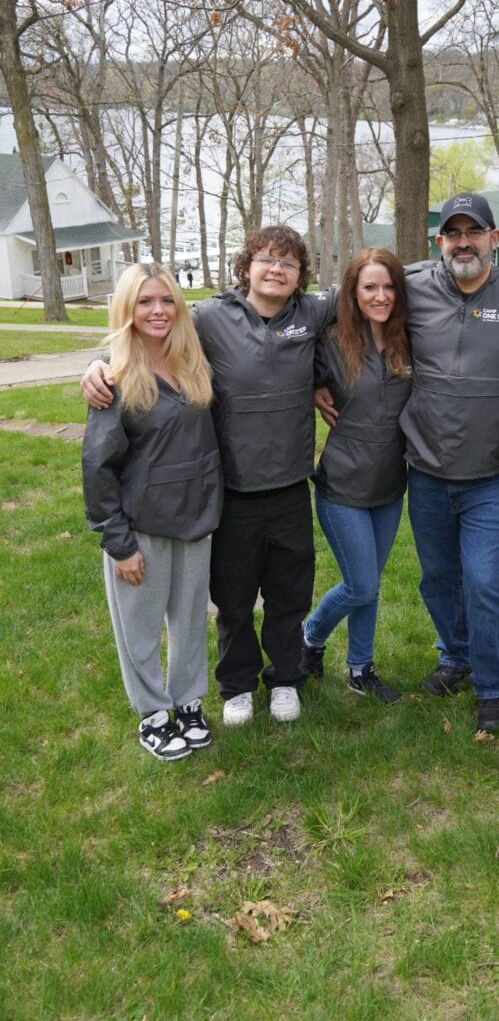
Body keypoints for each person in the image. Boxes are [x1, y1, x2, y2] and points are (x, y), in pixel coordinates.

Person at [82, 228, 335, 726]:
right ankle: (236, 684)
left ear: (301, 275)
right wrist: (96, 363)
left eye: (288, 263)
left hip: (289, 487)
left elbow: (381, 280)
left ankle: (285, 677)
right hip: (232, 491)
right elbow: (149, 327)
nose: (276, 270)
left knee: (289, 593)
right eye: (266, 259)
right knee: (233, 596)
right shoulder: (210, 318)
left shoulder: (311, 315)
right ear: (247, 266)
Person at [316, 193, 499, 733]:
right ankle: (456, 656)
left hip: (491, 472)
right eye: (452, 233)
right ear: (439, 241)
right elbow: (316, 305)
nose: (464, 242)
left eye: (475, 232)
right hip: (428, 473)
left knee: (484, 581)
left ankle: (493, 686)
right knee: (438, 579)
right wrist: (314, 382)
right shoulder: (412, 287)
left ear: (495, 238)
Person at [82, 263, 223, 761]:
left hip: (195, 518)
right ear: (127, 309)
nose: (158, 310)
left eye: (166, 300)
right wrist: (118, 542)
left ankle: (187, 702)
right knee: (139, 627)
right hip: (140, 527)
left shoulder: (194, 360)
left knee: (188, 620)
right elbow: (98, 466)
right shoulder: (114, 376)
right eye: (145, 302)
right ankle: (153, 713)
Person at [301, 248, 412, 703]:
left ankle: (360, 668)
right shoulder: (329, 340)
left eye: (388, 287)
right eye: (370, 287)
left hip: (390, 485)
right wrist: (312, 385)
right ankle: (310, 636)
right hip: (343, 484)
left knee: (371, 585)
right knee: (360, 583)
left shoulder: (411, 337)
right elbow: (280, 356)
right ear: (352, 291)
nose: (380, 296)